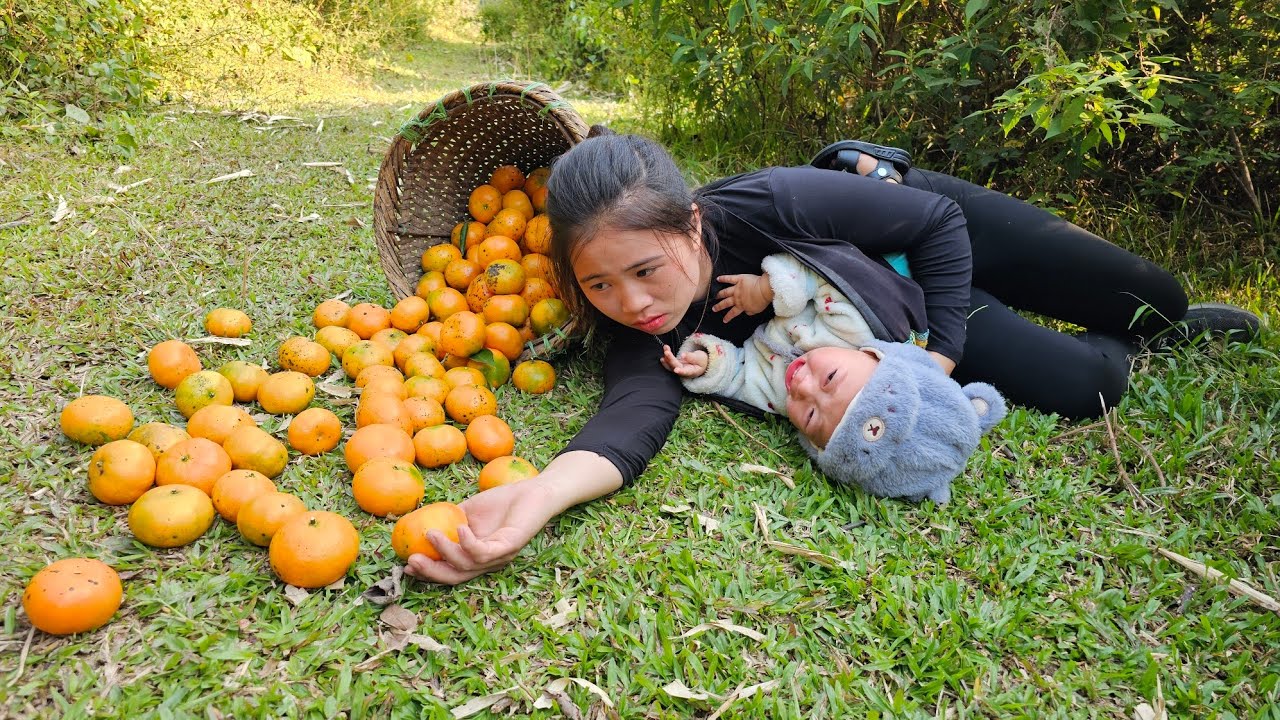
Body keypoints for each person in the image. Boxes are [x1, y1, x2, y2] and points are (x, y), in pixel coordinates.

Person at [403, 129, 1260, 585]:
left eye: (646, 270)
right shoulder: (640, 328)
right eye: (599, 286)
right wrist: (538, 498)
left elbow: (938, 232)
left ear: (693, 227)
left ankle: (1168, 320)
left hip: (907, 238)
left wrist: (943, 358)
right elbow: (633, 417)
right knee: (1090, 384)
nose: (634, 303)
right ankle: (1157, 342)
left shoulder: (767, 202)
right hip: (875, 328)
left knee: (1152, 292)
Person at [661, 252, 1007, 503]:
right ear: (872, 355)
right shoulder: (850, 325)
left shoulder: (779, 398)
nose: (803, 387)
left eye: (810, 416)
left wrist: (708, 365)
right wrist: (769, 290)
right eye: (830, 378)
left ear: (814, 445)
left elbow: (738, 377)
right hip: (898, 260)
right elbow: (826, 270)